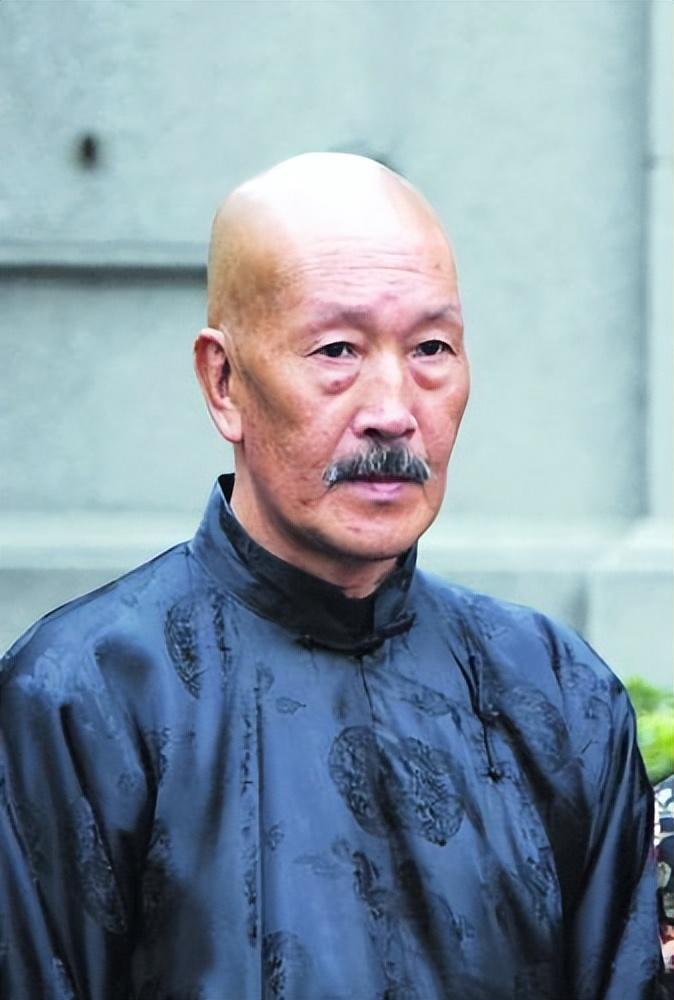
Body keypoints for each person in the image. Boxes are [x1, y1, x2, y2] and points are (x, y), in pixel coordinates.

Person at [0, 153, 661, 999]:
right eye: (337, 350)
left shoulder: (556, 695)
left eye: (431, 348)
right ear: (224, 381)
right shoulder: (84, 697)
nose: (392, 410)